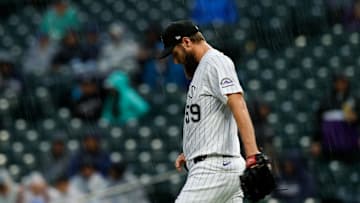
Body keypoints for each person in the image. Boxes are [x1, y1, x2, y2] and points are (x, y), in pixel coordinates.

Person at [158, 20, 264, 203]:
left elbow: (238, 104)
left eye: (175, 53)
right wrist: (191, 151)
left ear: (186, 42)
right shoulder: (202, 69)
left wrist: (253, 154)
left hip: (214, 169)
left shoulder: (215, 61)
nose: (175, 60)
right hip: (217, 166)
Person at [312, 74, 359, 162]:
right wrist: (316, 141)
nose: (341, 85)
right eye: (338, 82)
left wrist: (355, 117)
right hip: (329, 141)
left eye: (343, 82)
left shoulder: (354, 99)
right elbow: (318, 122)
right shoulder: (326, 100)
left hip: (349, 141)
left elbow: (356, 119)